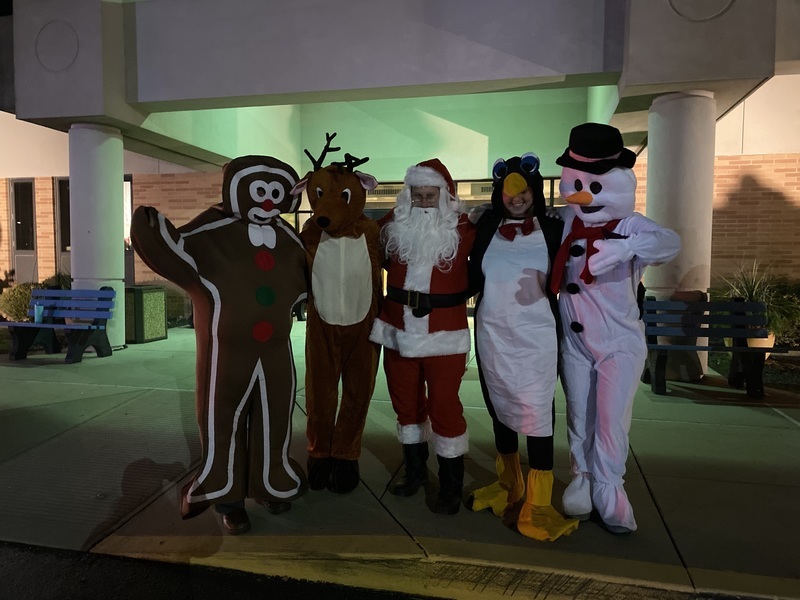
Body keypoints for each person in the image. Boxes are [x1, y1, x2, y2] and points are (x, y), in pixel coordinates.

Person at [131, 156, 309, 535]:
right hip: (226, 353)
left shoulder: (288, 237)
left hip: (276, 350)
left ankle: (270, 483)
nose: (267, 200)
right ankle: (228, 498)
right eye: (259, 191)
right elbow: (176, 252)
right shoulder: (212, 228)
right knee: (222, 420)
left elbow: (310, 277)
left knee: (275, 418)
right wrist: (152, 230)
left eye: (275, 193)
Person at [552, 123, 680, 533]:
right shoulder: (568, 220)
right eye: (576, 186)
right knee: (579, 416)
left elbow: (669, 242)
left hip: (618, 345)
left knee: (610, 421)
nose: (583, 197)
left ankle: (609, 488)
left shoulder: (628, 225)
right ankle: (582, 478)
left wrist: (625, 249)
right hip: (575, 344)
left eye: (594, 187)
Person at [467, 153, 578, 541]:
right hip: (492, 334)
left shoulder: (553, 227)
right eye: (509, 193)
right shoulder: (487, 227)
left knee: (537, 413)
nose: (517, 199)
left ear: (535, 192)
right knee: (499, 406)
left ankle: (540, 503)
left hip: (537, 336)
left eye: (524, 192)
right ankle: (509, 484)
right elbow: (470, 278)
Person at [369, 158, 476, 515]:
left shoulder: (465, 228)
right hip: (397, 329)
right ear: (408, 196)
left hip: (444, 334)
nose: (425, 202)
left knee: (444, 405)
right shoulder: (393, 225)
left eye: (431, 195)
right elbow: (361, 239)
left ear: (445, 196)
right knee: (405, 403)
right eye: (418, 195)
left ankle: (450, 484)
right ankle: (414, 472)